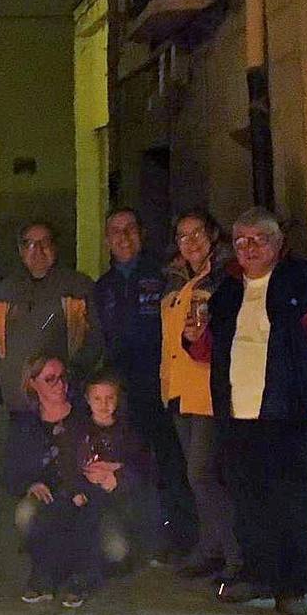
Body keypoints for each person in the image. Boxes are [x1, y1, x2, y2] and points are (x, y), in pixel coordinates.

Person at [185, 206, 307, 615]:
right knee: (246, 497)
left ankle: (290, 587)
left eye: (258, 239)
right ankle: (256, 576)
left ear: (278, 243)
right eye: (240, 240)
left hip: (288, 410)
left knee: (289, 500)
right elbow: (211, 348)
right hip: (237, 412)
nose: (248, 248)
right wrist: (193, 339)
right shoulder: (227, 290)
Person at [94, 207, 195, 557]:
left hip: (163, 385)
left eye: (131, 229)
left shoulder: (165, 276)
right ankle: (136, 538)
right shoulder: (103, 287)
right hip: (124, 389)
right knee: (130, 463)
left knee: (170, 461)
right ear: (107, 239)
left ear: (142, 233)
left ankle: (179, 539)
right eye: (116, 231)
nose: (123, 237)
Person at [0, 220, 103, 488]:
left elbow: (94, 338)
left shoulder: (77, 286)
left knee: (72, 470)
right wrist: (5, 376)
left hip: (65, 401)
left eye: (45, 243)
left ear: (55, 247)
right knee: (26, 478)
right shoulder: (4, 291)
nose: (37, 251)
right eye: (29, 244)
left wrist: (72, 376)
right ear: (20, 249)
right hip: (21, 401)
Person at [160, 209, 239, 580]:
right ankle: (212, 550)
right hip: (177, 389)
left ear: (213, 236)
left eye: (197, 234)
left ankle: (235, 556)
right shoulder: (175, 281)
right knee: (197, 476)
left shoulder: (225, 279)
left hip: (208, 390)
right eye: (182, 236)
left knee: (203, 474)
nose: (190, 242)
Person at [8, 355, 102, 607]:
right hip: (47, 492)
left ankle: (79, 577)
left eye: (62, 378)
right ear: (33, 384)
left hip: (81, 490)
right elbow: (11, 471)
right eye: (49, 379)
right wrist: (31, 484)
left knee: (83, 515)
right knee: (30, 512)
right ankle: (43, 575)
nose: (59, 385)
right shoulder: (25, 423)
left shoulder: (83, 416)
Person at [76, 371, 156, 572]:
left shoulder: (130, 432)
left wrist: (118, 474)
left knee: (116, 551)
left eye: (110, 398)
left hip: (116, 505)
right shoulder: (78, 429)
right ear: (87, 399)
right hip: (84, 502)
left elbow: (143, 468)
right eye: (97, 398)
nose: (104, 404)